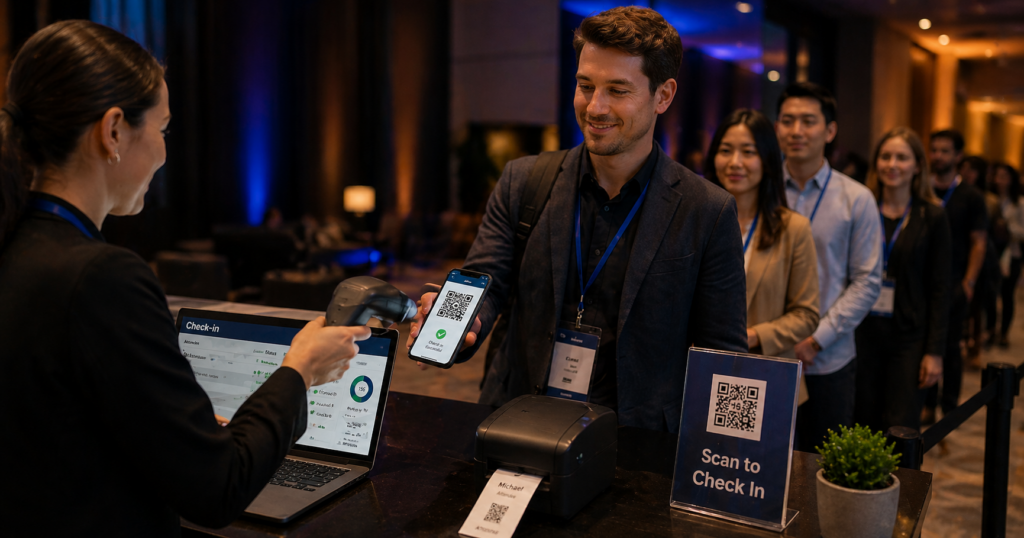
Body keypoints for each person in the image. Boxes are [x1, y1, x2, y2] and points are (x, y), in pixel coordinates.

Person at [0, 21, 370, 535]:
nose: (165, 152)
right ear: (112, 131)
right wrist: (299, 372)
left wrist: (178, 432)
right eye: (163, 128)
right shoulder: (100, 277)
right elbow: (217, 489)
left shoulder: (16, 247)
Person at [408, 6, 747, 432]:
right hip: (520, 421)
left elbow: (723, 356)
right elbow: (485, 283)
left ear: (663, 95)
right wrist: (462, 322)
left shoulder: (706, 210)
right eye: (585, 86)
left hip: (637, 446)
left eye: (618, 90)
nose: (596, 107)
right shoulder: (524, 181)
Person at [775, 82, 882, 451]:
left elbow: (868, 281)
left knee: (822, 466)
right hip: (767, 355)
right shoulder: (763, 190)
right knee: (763, 462)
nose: (796, 131)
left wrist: (817, 339)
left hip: (828, 360)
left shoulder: (856, 199)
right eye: (787, 121)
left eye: (808, 121)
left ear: (830, 130)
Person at [855, 127, 950, 433]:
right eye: (885, 156)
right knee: (861, 420)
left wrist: (935, 352)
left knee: (900, 426)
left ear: (918, 166)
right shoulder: (861, 208)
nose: (892, 164)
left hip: (909, 337)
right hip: (861, 333)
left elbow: (940, 288)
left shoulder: (932, 216)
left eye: (902, 157)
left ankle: (898, 483)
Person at [704, 108, 819, 360]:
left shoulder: (793, 229)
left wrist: (754, 335)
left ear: (767, 159)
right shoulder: (695, 222)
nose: (735, 162)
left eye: (748, 152)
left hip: (766, 369)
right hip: (703, 365)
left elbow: (806, 315)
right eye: (725, 151)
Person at [923, 129, 987, 424]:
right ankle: (926, 403)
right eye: (934, 150)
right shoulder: (922, 189)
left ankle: (950, 408)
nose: (937, 156)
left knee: (949, 346)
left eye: (945, 151)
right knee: (925, 343)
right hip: (923, 283)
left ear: (958, 156)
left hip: (955, 282)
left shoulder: (970, 196)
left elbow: (979, 242)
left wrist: (969, 282)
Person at [992, 163, 1024, 347]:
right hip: (992, 252)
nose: (1000, 180)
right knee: (990, 295)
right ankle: (989, 330)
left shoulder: (1019, 203)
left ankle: (1003, 332)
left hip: (1012, 253)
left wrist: (1006, 227)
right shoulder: (989, 199)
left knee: (1007, 294)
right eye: (997, 176)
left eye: (1004, 176)